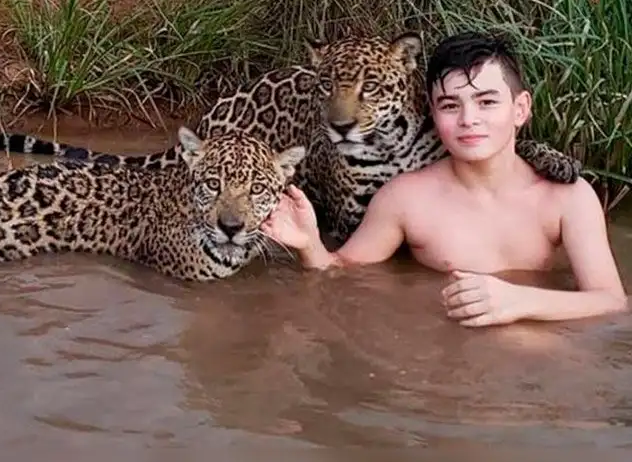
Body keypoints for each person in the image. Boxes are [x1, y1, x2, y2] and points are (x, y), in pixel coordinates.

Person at [261, 31, 628, 327]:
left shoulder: (567, 198)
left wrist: (520, 301)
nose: (469, 119)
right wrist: (308, 243)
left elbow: (612, 302)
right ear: (432, 114)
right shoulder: (405, 199)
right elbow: (339, 271)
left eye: (487, 102)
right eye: (451, 106)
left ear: (521, 109)